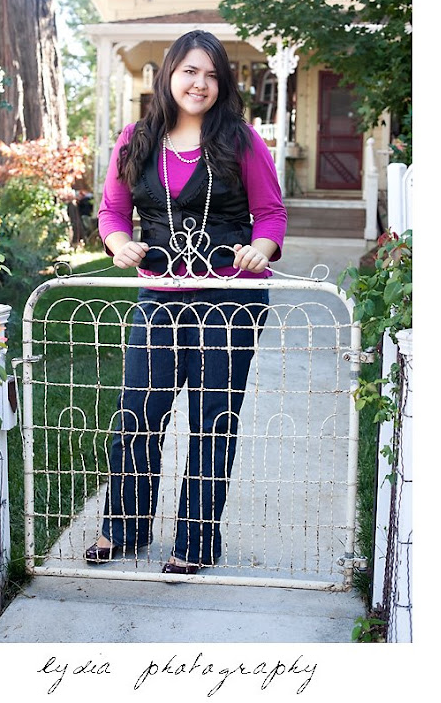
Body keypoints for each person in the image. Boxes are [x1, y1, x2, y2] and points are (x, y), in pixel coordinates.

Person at [85, 30, 287, 575]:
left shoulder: (242, 141)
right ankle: (124, 529)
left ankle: (196, 543)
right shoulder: (135, 140)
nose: (200, 83)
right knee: (137, 416)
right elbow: (111, 211)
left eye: (212, 75)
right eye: (190, 71)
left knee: (211, 421)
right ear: (169, 74)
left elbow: (271, 214)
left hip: (230, 300)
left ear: (222, 84)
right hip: (158, 295)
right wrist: (118, 243)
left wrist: (259, 249)